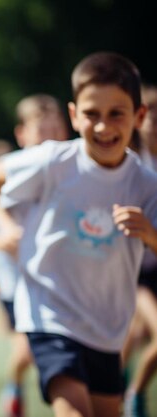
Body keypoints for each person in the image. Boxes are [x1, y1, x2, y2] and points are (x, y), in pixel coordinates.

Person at [0, 51, 157, 417]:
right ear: (74, 115)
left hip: (107, 325)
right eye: (92, 114)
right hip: (49, 312)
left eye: (116, 114)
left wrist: (150, 234)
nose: (103, 127)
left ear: (139, 116)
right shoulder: (54, 161)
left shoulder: (146, 184)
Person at [0, 93, 69, 417]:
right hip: (16, 277)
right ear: (22, 134)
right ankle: (14, 384)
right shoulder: (18, 168)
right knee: (27, 344)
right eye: (42, 132)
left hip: (55, 276)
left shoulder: (68, 170)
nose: (50, 140)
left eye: (56, 131)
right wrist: (7, 230)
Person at [123, 84, 157, 417]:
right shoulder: (127, 163)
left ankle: (129, 389)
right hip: (136, 272)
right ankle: (131, 394)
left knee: (135, 335)